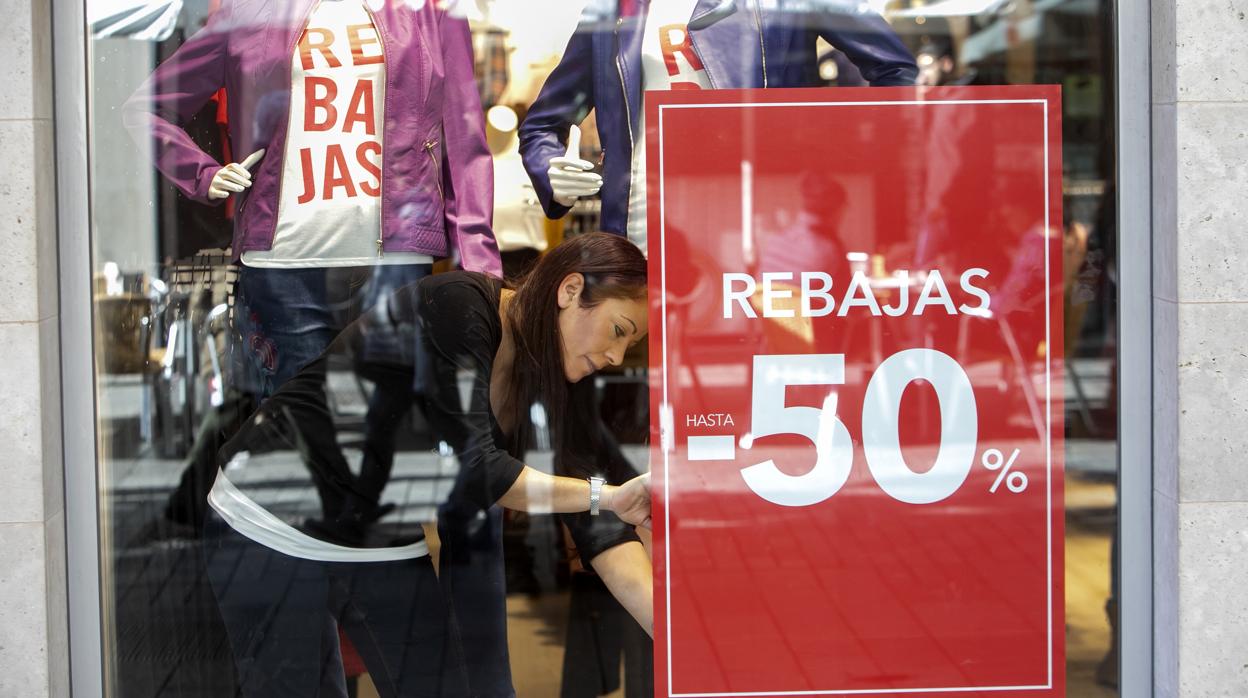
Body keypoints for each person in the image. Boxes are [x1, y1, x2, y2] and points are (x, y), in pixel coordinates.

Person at [203, 232, 654, 697]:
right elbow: (478, 469)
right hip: (271, 516)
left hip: (379, 532)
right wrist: (607, 495)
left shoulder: (556, 380)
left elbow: (603, 523)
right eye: (618, 330)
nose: (615, 357)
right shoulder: (459, 308)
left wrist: (682, 639)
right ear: (570, 290)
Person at [519, 0, 919, 254]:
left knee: (775, 355)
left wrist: (840, 155)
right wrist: (551, 171)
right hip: (645, 224)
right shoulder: (613, 14)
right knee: (657, 371)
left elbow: (895, 71)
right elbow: (542, 125)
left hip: (767, 224)